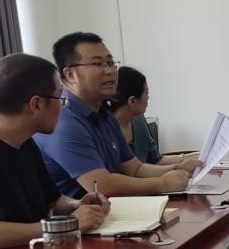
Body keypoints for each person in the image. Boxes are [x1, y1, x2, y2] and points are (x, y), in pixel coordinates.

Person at [0, 53, 112, 249]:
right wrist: (68, 225)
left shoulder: (24, 140)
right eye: (60, 98)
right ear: (36, 104)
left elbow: (53, 202)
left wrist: (77, 205)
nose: (63, 106)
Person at [34, 32, 202, 198]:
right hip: (79, 214)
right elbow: (101, 185)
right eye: (97, 64)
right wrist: (163, 183)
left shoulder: (105, 116)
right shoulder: (64, 120)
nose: (109, 71)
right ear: (70, 75)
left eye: (110, 62)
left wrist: (178, 168)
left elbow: (135, 169)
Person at [107, 66, 197, 168]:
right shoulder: (106, 129)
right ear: (132, 101)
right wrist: (177, 168)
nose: (148, 97)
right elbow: (136, 171)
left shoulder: (139, 120)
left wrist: (192, 156)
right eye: (146, 93)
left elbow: (155, 159)